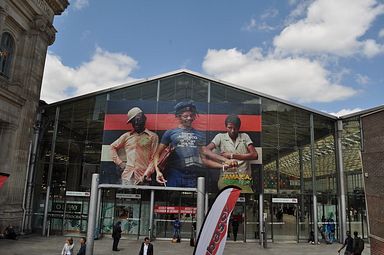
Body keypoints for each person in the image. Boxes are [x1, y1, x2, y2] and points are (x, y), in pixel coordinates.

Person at [153, 101, 236, 187]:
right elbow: (157, 154)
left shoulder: (199, 134)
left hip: (192, 176)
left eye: (191, 115)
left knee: (193, 199)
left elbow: (205, 157)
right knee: (172, 199)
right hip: (175, 174)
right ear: (179, 117)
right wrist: (158, 171)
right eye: (185, 116)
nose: (189, 118)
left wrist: (223, 164)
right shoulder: (170, 133)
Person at [206, 114, 258, 192]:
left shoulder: (244, 136)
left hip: (243, 179)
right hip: (227, 179)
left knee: (245, 198)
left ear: (239, 128)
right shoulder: (220, 137)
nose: (232, 131)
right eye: (230, 128)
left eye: (235, 128)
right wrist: (221, 159)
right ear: (226, 127)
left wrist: (231, 155)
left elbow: (254, 155)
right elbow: (206, 151)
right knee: (227, 199)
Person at [110, 107, 158, 185]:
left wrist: (146, 175)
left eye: (138, 119)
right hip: (127, 177)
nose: (136, 123)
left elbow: (154, 158)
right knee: (125, 196)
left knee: (143, 196)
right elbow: (112, 147)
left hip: (143, 178)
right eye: (133, 121)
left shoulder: (152, 137)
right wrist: (120, 163)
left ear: (144, 119)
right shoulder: (127, 136)